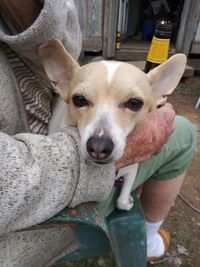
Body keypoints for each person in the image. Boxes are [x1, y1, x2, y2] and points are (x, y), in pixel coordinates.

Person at [0, 0, 197, 266]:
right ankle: (149, 240)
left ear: (157, 95)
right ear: (63, 83)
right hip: (33, 223)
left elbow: (65, 45)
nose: (100, 139)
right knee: (183, 132)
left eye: (132, 103)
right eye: (82, 101)